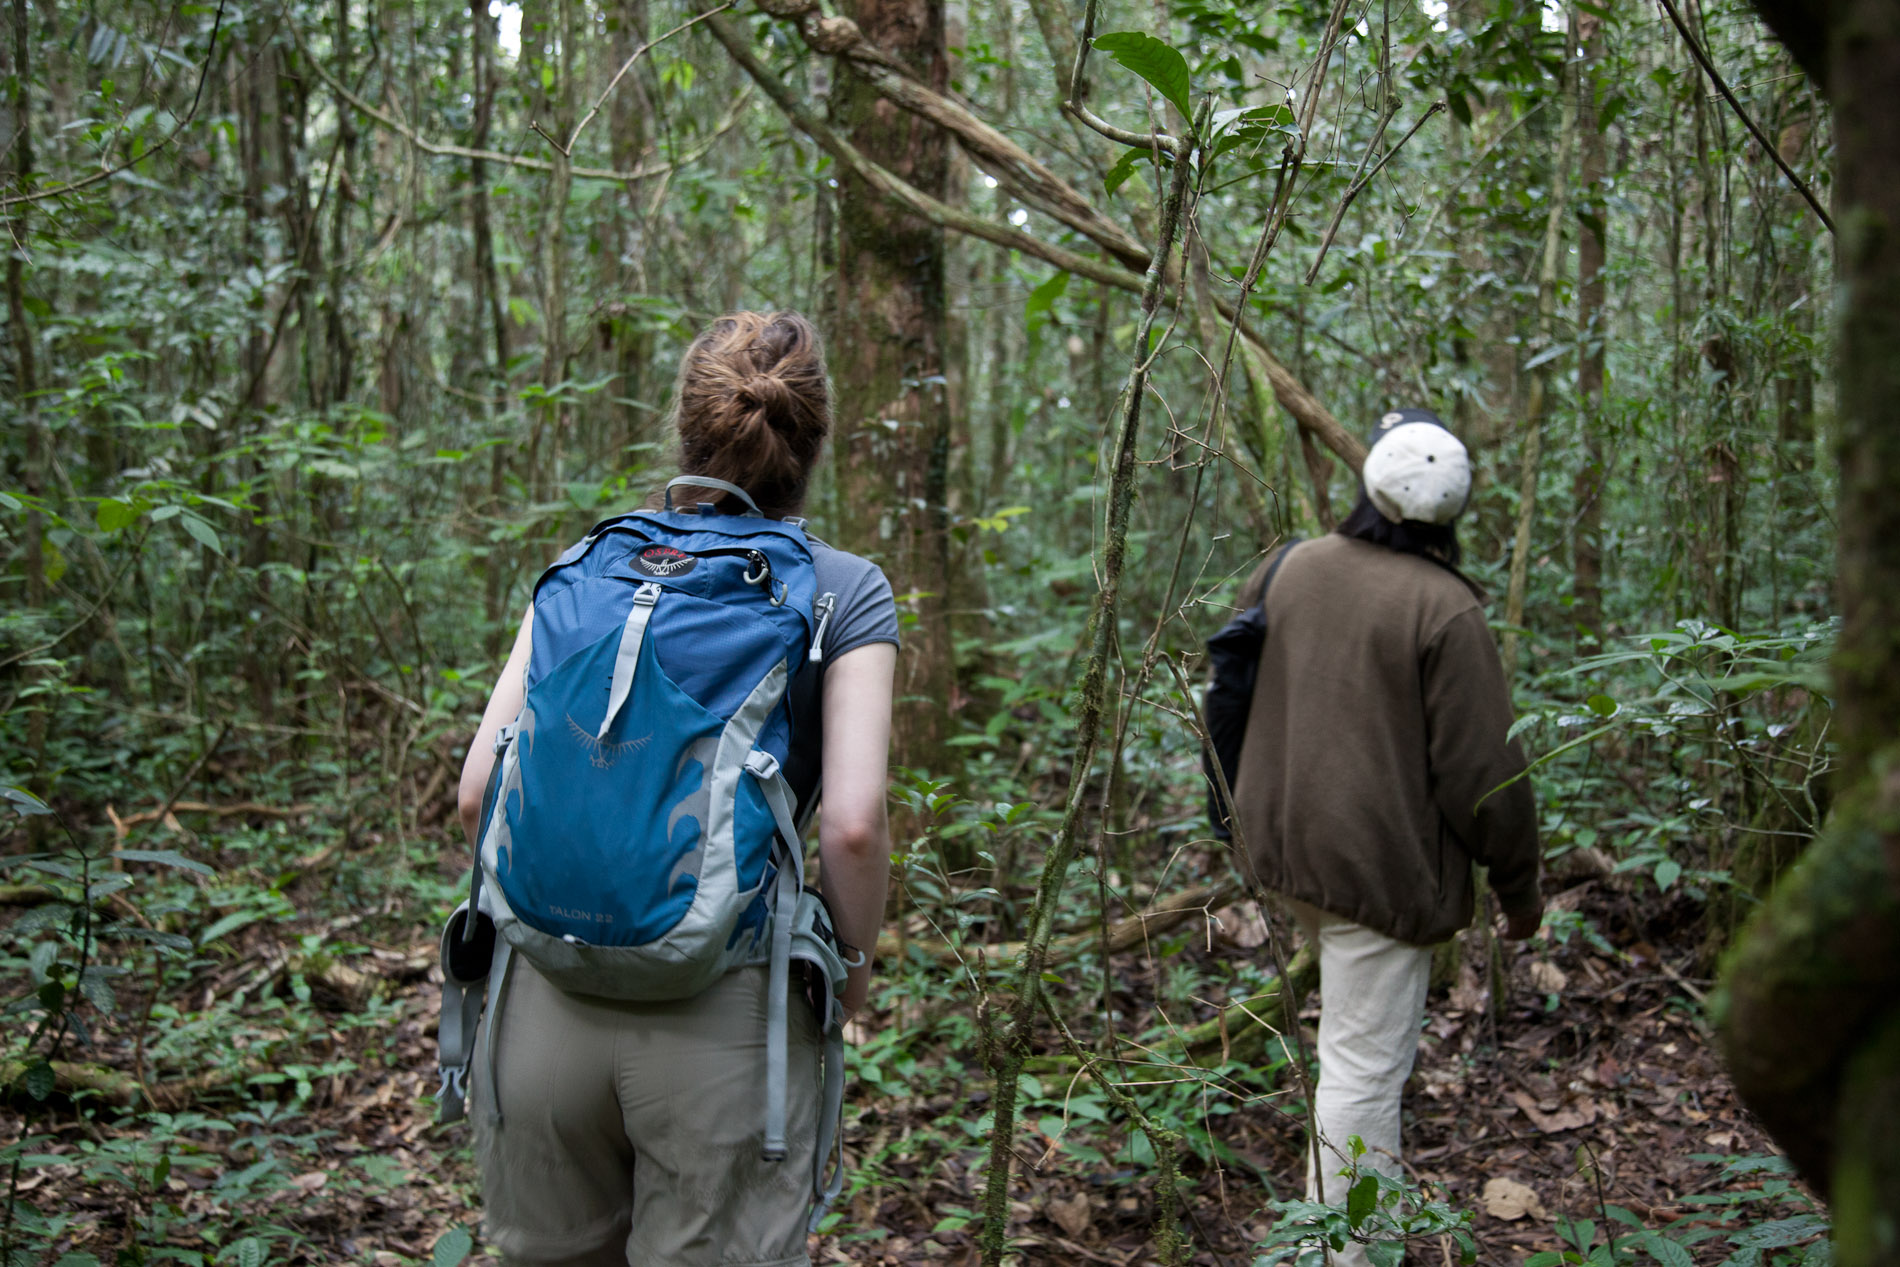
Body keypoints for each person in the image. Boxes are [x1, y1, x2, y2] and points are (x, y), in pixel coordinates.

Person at [454, 310, 898, 1267]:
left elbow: (478, 786)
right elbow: (853, 827)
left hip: (541, 1006)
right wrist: (852, 973)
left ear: (685, 427)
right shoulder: (844, 587)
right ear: (813, 440)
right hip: (726, 1014)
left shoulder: (591, 564)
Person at [1227, 408, 1542, 1265]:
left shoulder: (1292, 565)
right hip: (1374, 873)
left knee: (1349, 1052)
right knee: (1363, 1071)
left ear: (1368, 484)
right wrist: (1520, 888)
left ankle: (1356, 1232)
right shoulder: (1445, 608)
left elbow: (1231, 692)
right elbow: (1489, 777)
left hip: (1285, 852)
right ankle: (1350, 1253)